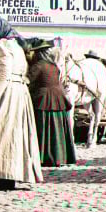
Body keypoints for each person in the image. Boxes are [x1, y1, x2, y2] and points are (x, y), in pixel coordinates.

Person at [0, 16, 43, 190]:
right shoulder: (16, 46)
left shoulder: (2, 45)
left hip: (7, 94)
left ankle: (5, 175)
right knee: (13, 134)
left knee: (1, 132)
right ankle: (10, 173)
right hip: (18, 91)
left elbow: (5, 73)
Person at [25, 39, 77, 167]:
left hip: (44, 99)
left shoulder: (38, 66)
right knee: (57, 129)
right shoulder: (53, 65)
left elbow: (29, 81)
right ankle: (60, 157)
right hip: (58, 98)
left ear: (38, 53)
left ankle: (45, 157)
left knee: (43, 128)